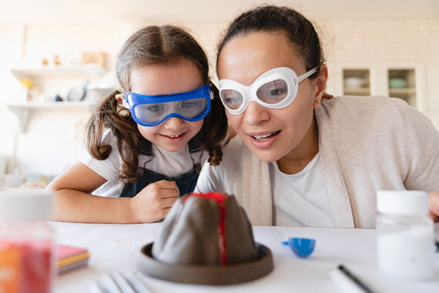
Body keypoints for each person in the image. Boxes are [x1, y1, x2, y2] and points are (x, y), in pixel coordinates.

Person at [195, 5, 439, 228]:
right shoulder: (224, 162)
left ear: (318, 85)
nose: (253, 117)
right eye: (233, 97)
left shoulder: (394, 126)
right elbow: (185, 230)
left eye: (275, 91)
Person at [47, 25, 228, 224]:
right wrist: (131, 210)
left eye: (189, 103)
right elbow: (50, 201)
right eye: (154, 108)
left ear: (208, 96)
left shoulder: (206, 135)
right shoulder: (121, 145)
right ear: (126, 104)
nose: (175, 124)